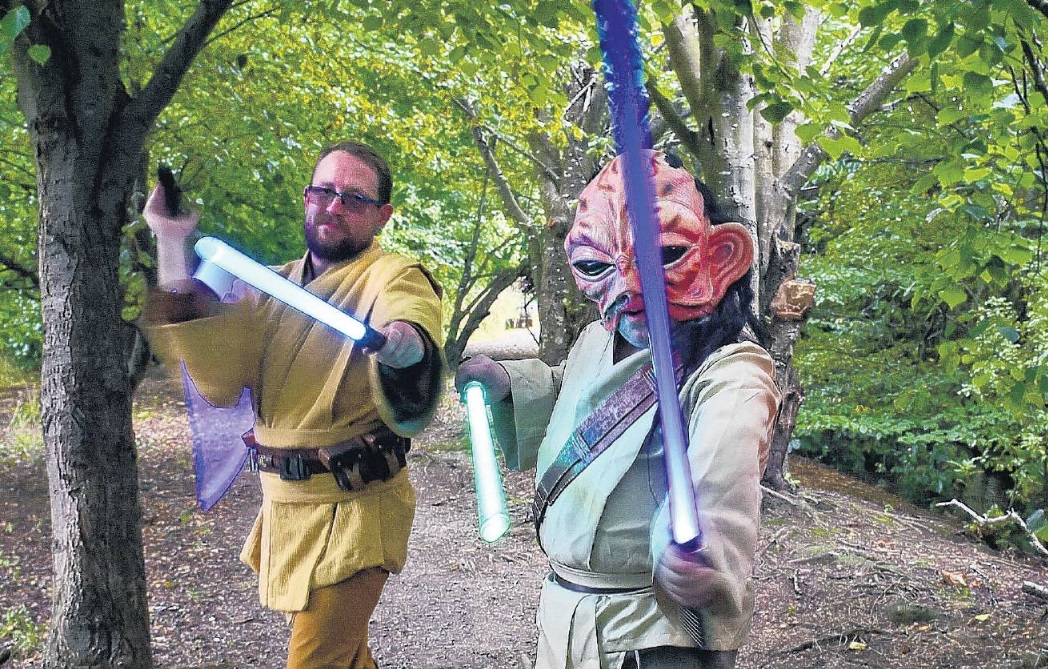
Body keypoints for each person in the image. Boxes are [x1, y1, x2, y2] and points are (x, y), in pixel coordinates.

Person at [455, 150, 779, 669]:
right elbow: (577, 394)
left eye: (664, 256)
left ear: (720, 256)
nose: (630, 288)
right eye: (595, 265)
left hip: (651, 633)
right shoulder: (595, 338)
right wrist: (508, 382)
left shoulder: (730, 370)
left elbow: (725, 456)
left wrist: (699, 545)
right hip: (567, 614)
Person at [141, 141, 445, 669]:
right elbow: (217, 375)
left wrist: (398, 341)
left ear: (382, 216)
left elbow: (411, 326)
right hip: (286, 510)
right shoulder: (270, 287)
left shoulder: (393, 275)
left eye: (352, 198)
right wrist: (171, 241)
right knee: (345, 660)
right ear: (306, 197)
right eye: (323, 191)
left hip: (356, 511)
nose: (333, 206)